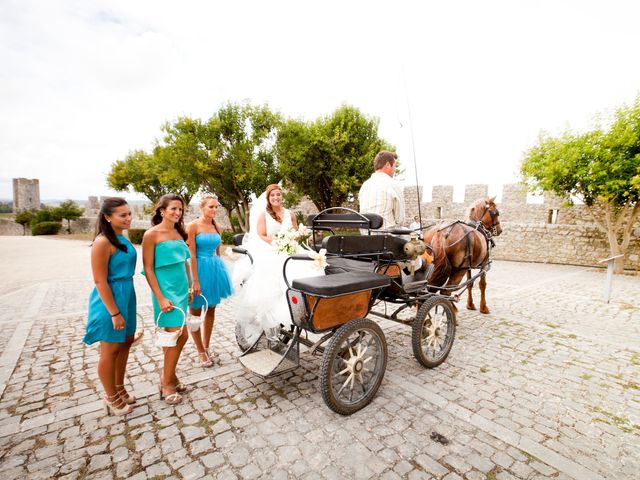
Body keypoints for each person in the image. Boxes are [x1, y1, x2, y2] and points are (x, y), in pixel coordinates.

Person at [233, 184, 324, 347]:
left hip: (290, 249)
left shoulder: (291, 214)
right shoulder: (263, 215)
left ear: (282, 196)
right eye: (272, 195)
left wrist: (292, 239)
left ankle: (304, 310)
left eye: (278, 195)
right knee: (275, 282)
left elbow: (296, 234)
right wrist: (278, 242)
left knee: (309, 268)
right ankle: (277, 320)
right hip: (272, 250)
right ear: (268, 198)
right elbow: (261, 235)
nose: (276, 198)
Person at [84, 197, 137, 416]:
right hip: (110, 297)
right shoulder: (103, 241)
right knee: (109, 349)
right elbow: (99, 280)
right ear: (107, 217)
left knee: (125, 342)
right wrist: (114, 312)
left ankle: (119, 387)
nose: (128, 218)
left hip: (128, 293)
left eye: (129, 214)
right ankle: (110, 396)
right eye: (122, 215)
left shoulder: (121, 238)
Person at [142, 193, 192, 405]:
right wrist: (160, 297)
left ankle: (171, 376)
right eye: (173, 208)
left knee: (176, 338)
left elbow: (185, 262)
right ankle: (166, 383)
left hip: (181, 288)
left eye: (180, 209)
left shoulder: (180, 232)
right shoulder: (151, 235)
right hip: (165, 290)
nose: (177, 213)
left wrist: (190, 286)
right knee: (180, 335)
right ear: (161, 210)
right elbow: (148, 268)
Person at [187, 196, 233, 367]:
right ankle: (200, 351)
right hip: (198, 269)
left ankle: (206, 346)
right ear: (202, 207)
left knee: (211, 308)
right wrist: (195, 281)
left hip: (215, 269)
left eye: (216, 207)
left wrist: (221, 272)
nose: (214, 210)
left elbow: (218, 252)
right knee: (195, 312)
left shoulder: (217, 226)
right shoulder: (192, 226)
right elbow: (190, 254)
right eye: (211, 207)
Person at [358, 150, 405, 230]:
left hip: (366, 236)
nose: (394, 170)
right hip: (387, 237)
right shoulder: (394, 185)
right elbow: (400, 219)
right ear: (387, 165)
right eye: (394, 166)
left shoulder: (364, 185)